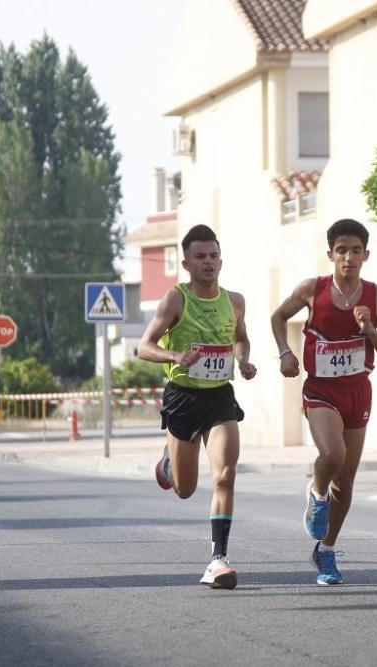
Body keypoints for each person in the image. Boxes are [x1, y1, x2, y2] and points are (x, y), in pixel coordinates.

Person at [270, 218, 377, 585]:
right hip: (320, 390)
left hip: (357, 391)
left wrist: (369, 329)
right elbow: (278, 316)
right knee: (333, 454)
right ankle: (315, 492)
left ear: (366, 255)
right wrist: (284, 352)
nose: (349, 257)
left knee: (347, 482)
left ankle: (325, 551)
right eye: (341, 250)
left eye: (356, 251)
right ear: (331, 254)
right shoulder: (313, 289)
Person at [138, 224, 256, 589]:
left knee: (225, 475)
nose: (209, 262)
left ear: (221, 260)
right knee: (185, 489)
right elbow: (144, 347)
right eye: (201, 257)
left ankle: (218, 560)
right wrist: (175, 355)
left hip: (220, 396)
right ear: (186, 263)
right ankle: (169, 463)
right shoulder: (175, 300)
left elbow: (241, 339)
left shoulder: (234, 301)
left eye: (214, 256)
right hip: (183, 397)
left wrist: (245, 360)